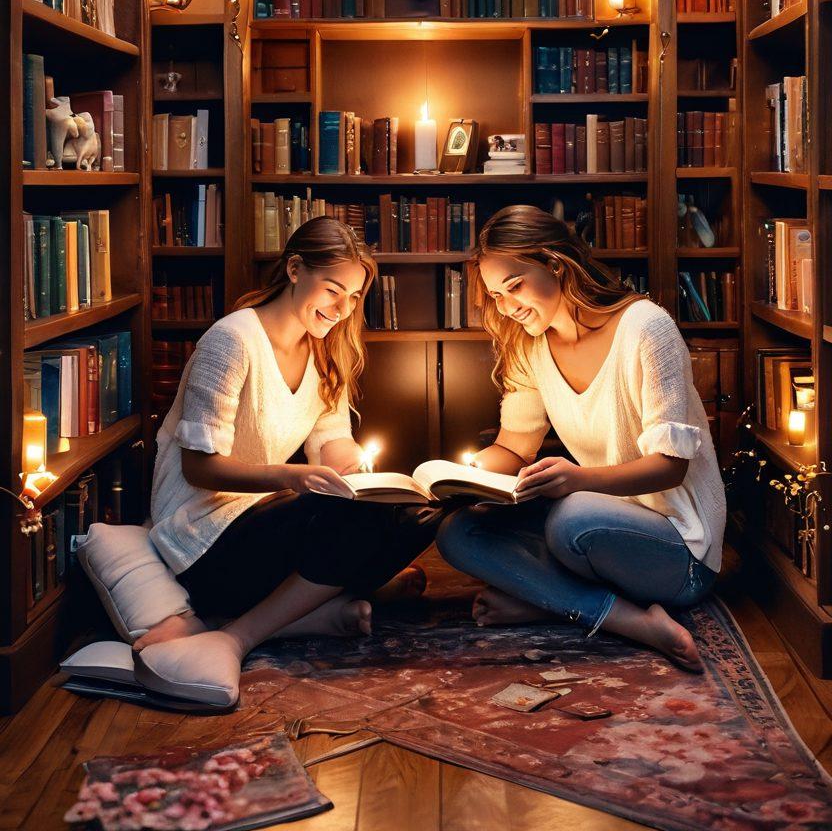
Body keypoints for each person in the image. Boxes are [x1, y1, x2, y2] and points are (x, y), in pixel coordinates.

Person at [134, 216, 437, 705]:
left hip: (260, 519)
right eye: (333, 290)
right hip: (201, 539)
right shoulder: (230, 342)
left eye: (354, 297)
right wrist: (293, 478)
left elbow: (333, 440)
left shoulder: (326, 352)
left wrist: (359, 471)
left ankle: (301, 610)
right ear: (295, 268)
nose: (342, 309)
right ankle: (237, 633)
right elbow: (199, 468)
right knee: (356, 523)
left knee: (423, 514)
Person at [437, 204, 726, 671]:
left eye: (515, 286)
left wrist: (577, 481)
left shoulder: (646, 328)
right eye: (496, 295)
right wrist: (456, 479)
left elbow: (672, 464)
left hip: (680, 550)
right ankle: (610, 613)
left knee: (571, 519)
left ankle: (568, 604)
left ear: (556, 263)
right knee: (459, 532)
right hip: (596, 529)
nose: (508, 306)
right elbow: (514, 447)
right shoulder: (529, 343)